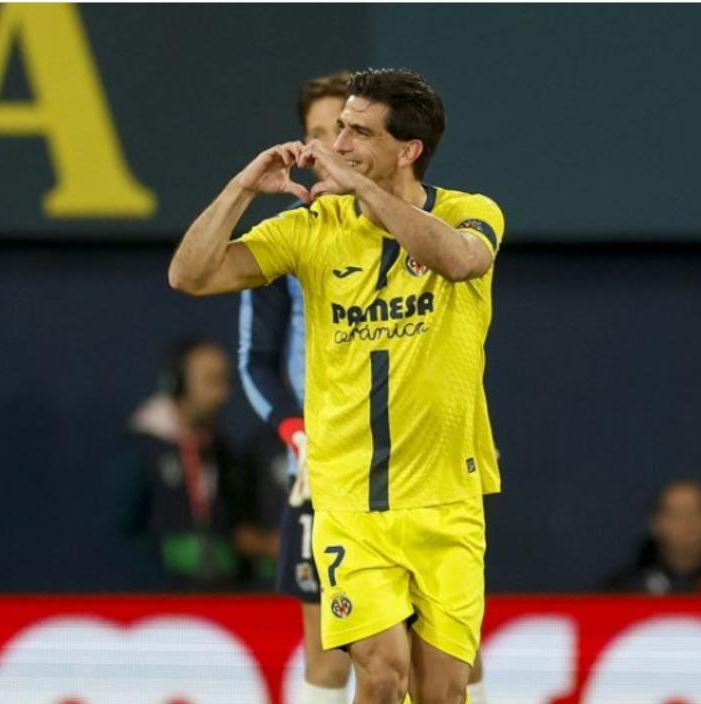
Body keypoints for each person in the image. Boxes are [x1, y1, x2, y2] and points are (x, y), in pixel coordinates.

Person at [170, 68, 504, 704]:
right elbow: (189, 275)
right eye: (338, 128)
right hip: (348, 500)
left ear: (408, 151)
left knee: (445, 691)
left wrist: (357, 187)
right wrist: (243, 187)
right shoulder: (311, 230)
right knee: (381, 672)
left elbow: (460, 261)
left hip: (446, 498)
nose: (338, 143)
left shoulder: (471, 212)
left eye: (358, 132)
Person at [238, 70, 356, 704]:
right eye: (314, 132)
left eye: (340, 130)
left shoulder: (422, 224)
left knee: (441, 661)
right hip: (323, 467)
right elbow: (256, 363)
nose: (325, 146)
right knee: (329, 662)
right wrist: (301, 436)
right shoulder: (287, 235)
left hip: (415, 471)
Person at [125, 337, 277, 591]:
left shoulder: (221, 451)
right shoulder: (142, 448)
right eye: (210, 381)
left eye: (224, 382)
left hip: (221, 594)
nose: (222, 394)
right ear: (178, 385)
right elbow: (122, 531)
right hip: (160, 597)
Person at [604, 478, 701, 594]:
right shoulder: (624, 590)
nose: (689, 523)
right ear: (656, 524)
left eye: (697, 513)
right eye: (678, 514)